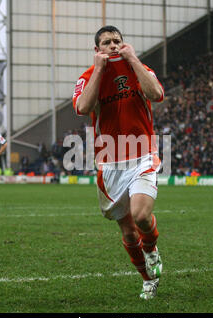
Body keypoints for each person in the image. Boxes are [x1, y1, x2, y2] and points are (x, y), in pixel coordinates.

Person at [72, 26, 164, 299]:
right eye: (106, 43)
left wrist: (133, 60)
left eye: (117, 41)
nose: (113, 46)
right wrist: (99, 70)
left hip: (143, 153)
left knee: (141, 216)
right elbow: (83, 108)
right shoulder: (88, 77)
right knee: (126, 229)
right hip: (110, 162)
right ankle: (147, 279)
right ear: (97, 49)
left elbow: (156, 94)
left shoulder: (140, 68)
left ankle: (151, 249)